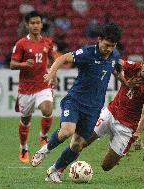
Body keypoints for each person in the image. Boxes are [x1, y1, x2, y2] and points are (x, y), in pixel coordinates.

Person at [31, 23, 123, 183]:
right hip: (75, 101)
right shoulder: (87, 52)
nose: (109, 49)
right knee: (67, 130)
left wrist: (126, 82)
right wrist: (52, 73)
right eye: (106, 45)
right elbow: (63, 58)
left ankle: (54, 170)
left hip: (94, 108)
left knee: (78, 145)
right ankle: (44, 150)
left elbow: (116, 69)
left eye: (112, 46)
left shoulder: (114, 55)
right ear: (99, 40)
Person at [84, 52, 144, 171]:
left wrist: (138, 132)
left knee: (106, 166)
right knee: (81, 142)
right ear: (142, 63)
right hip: (111, 113)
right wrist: (124, 81)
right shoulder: (133, 67)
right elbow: (112, 62)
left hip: (128, 128)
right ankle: (58, 168)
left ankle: (117, 146)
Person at [10, 11, 55, 164]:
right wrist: (24, 64)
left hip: (43, 85)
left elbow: (52, 59)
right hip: (26, 89)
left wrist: (53, 74)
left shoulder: (47, 42)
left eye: (38, 23)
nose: (36, 25)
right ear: (27, 25)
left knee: (47, 109)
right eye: (32, 23)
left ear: (42, 25)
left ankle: (43, 135)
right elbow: (12, 64)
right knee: (25, 120)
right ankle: (23, 147)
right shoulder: (21, 43)